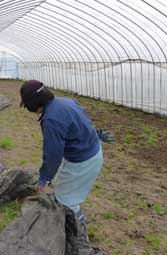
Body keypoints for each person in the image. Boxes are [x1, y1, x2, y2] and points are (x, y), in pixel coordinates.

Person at [20, 80, 114, 232]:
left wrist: (44, 178)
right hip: (93, 150)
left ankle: (79, 234)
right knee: (65, 192)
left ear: (32, 103)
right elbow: (84, 122)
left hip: (83, 161)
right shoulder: (66, 102)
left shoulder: (50, 120)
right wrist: (94, 135)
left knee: (67, 201)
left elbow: (53, 155)